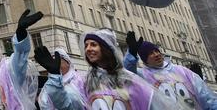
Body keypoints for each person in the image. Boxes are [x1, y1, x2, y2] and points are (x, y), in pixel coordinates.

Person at [35, 28, 176, 109]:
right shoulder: (86, 81)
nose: (88, 49)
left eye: (93, 44)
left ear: (106, 48)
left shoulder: (128, 79)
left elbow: (154, 105)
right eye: (86, 45)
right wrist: (54, 76)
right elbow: (68, 106)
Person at [124, 30, 217, 109]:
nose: (156, 54)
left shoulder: (182, 71)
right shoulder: (143, 76)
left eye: (157, 51)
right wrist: (131, 54)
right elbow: (126, 74)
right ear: (145, 59)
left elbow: (205, 96)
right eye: (151, 53)